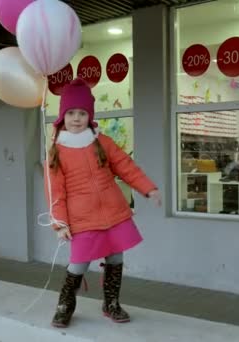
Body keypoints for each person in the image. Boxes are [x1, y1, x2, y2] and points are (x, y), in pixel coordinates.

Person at [44, 78, 162, 328]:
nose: (77, 118)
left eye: (83, 113)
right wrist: (60, 222)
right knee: (79, 263)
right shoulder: (57, 151)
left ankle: (111, 303)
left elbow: (126, 167)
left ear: (90, 115)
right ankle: (65, 305)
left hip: (113, 212)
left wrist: (147, 188)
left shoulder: (102, 142)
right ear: (63, 116)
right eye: (71, 112)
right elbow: (56, 192)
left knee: (116, 257)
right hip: (82, 218)